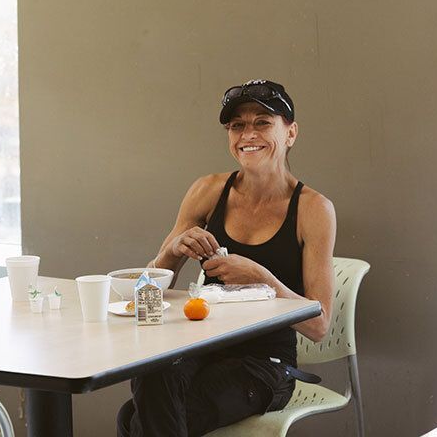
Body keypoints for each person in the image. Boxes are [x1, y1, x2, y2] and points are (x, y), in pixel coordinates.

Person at [116, 79, 336, 437]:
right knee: (151, 373)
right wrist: (173, 250)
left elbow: (319, 324)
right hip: (202, 346)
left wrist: (262, 278)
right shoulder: (207, 190)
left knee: (135, 419)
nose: (248, 134)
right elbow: (147, 288)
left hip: (266, 364)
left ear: (291, 132)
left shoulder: (313, 209)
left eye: (263, 122)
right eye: (237, 125)